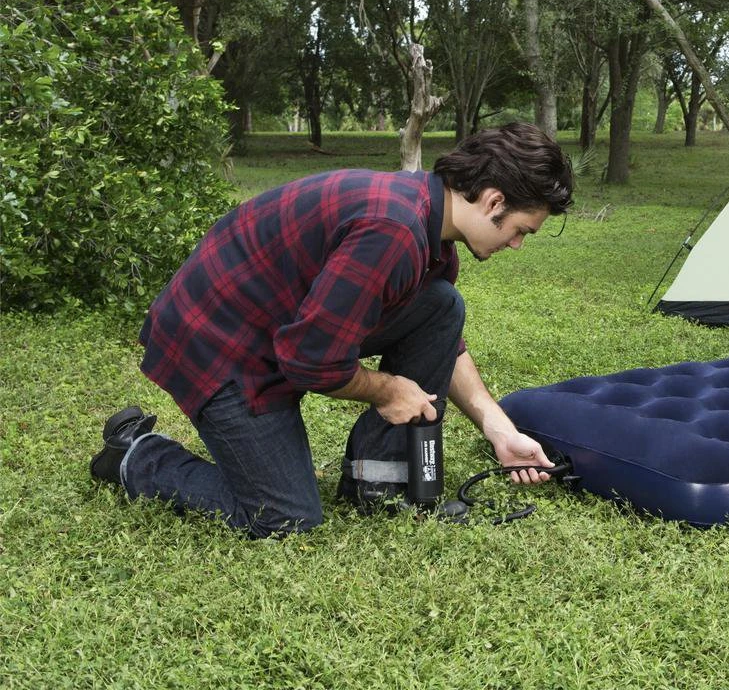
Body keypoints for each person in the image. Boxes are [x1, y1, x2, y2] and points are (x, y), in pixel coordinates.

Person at [90, 122, 573, 537]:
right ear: (493, 201)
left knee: (441, 306)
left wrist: (497, 428)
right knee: (284, 517)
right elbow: (310, 361)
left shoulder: (431, 232)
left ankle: (376, 484)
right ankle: (136, 454)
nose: (517, 245)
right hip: (218, 344)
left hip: (280, 325)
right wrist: (387, 389)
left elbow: (446, 343)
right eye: (521, 230)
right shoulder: (394, 230)